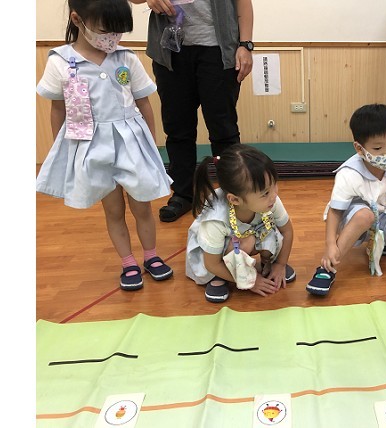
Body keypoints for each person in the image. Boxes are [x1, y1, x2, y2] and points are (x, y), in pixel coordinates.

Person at [36, 0, 174, 290]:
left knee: (142, 206)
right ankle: (128, 262)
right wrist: (64, 151)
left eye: (118, 31)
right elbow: (58, 109)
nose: (112, 38)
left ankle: (151, 256)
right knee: (113, 210)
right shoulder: (60, 61)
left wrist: (151, 144)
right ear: (77, 20)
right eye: (105, 30)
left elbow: (144, 103)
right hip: (92, 145)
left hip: (131, 142)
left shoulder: (126, 58)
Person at [130, 0, 254, 222]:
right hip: (170, 50)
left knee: (223, 129)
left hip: (218, 50)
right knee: (177, 129)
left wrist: (245, 45)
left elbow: (243, 3)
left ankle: (232, 192)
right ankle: (183, 193)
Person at [306, 104, 386, 296]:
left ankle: (382, 240)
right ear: (359, 148)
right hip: (352, 216)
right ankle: (326, 268)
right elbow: (335, 211)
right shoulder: (349, 173)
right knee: (365, 216)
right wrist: (330, 244)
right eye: (378, 148)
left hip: (381, 212)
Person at [185, 144, 295, 303]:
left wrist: (280, 264)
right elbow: (211, 263)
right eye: (265, 193)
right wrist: (250, 281)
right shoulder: (216, 219)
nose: (274, 195)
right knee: (241, 244)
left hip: (246, 237)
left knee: (271, 232)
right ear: (235, 200)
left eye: (274, 185)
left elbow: (287, 231)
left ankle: (268, 263)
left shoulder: (270, 200)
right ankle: (220, 277)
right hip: (215, 256)